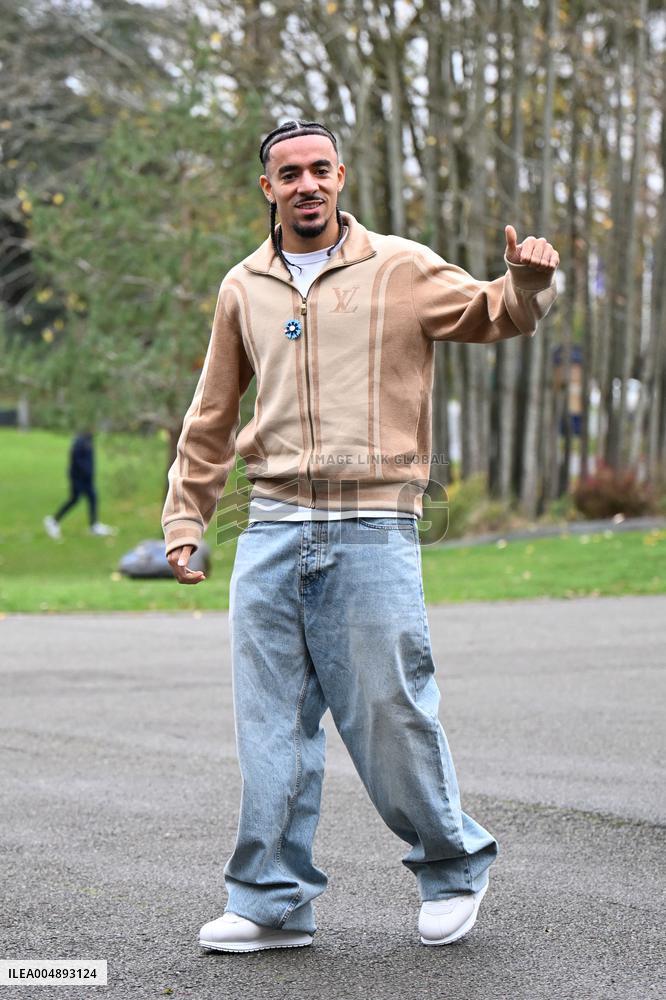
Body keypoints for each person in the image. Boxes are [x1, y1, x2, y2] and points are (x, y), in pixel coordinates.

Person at [161, 119, 559, 953]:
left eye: (319, 170)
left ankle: (453, 867)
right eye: (287, 174)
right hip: (270, 525)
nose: (306, 184)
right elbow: (211, 417)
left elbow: (494, 313)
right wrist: (186, 518)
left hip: (373, 522)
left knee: (388, 709)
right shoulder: (244, 287)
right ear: (267, 189)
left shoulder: (401, 267)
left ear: (340, 176)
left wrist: (526, 283)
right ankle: (271, 902)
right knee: (270, 723)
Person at [44, 429, 116, 539]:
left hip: (88, 478)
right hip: (78, 477)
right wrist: (85, 472)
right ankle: (53, 521)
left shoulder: (89, 439)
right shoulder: (79, 442)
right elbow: (76, 460)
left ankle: (94, 525)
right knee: (74, 499)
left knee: (93, 497)